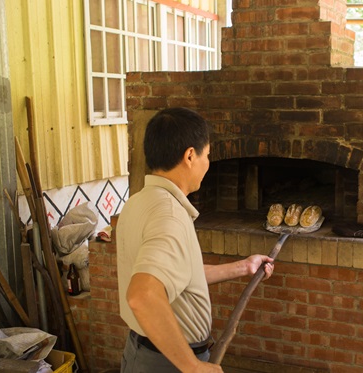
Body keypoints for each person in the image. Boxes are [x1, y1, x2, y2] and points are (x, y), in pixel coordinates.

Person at [116, 107, 274, 373]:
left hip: (147, 352)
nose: (207, 164)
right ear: (190, 155)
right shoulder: (169, 216)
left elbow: (174, 278)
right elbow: (143, 295)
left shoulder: (138, 202)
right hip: (166, 363)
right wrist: (192, 366)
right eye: (208, 155)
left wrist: (243, 267)